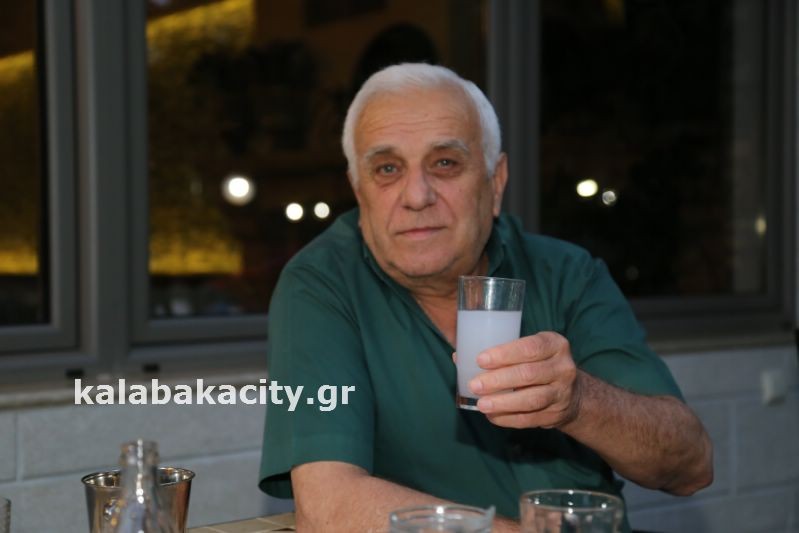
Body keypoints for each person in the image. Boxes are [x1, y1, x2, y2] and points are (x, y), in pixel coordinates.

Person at [258, 63, 713, 532]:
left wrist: (579, 402)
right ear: (359, 192)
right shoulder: (320, 285)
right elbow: (327, 505)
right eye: (387, 169)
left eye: (445, 163)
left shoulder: (566, 273)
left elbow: (690, 467)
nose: (417, 195)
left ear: (495, 182)